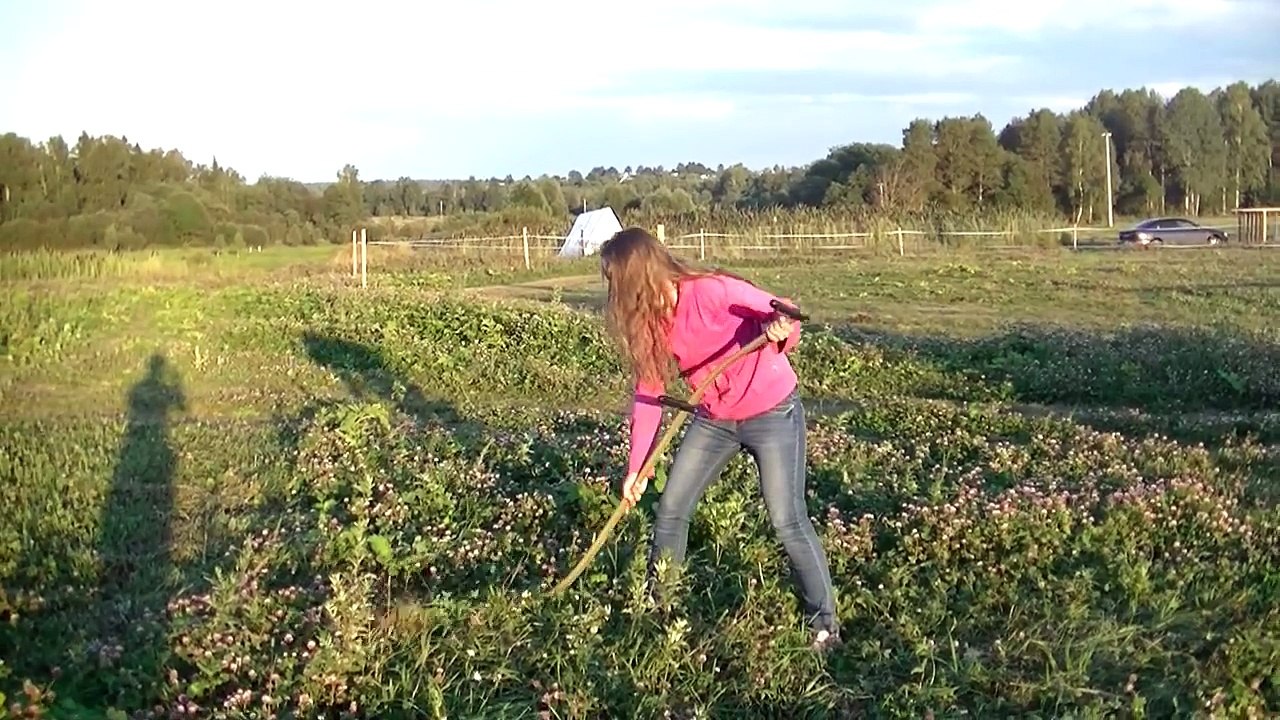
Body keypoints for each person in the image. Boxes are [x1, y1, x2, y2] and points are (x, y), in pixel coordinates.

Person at [598, 226, 840, 651]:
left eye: (615, 279)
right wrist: (638, 467)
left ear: (637, 274)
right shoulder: (650, 324)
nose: (615, 291)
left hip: (772, 412)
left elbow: (784, 310)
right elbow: (649, 393)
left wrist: (781, 327)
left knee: (787, 519)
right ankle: (659, 609)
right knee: (671, 509)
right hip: (714, 419)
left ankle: (824, 625)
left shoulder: (711, 291)